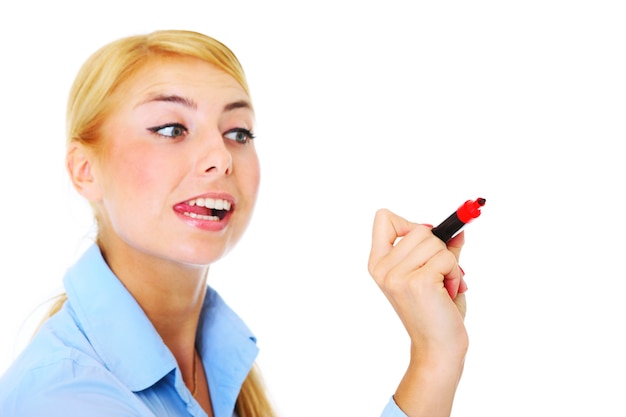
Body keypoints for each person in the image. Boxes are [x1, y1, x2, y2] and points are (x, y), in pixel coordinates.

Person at [0, 29, 469, 417]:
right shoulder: (63, 396)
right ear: (86, 170)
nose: (221, 158)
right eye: (171, 129)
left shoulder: (216, 355)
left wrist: (437, 353)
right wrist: (431, 363)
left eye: (238, 132)